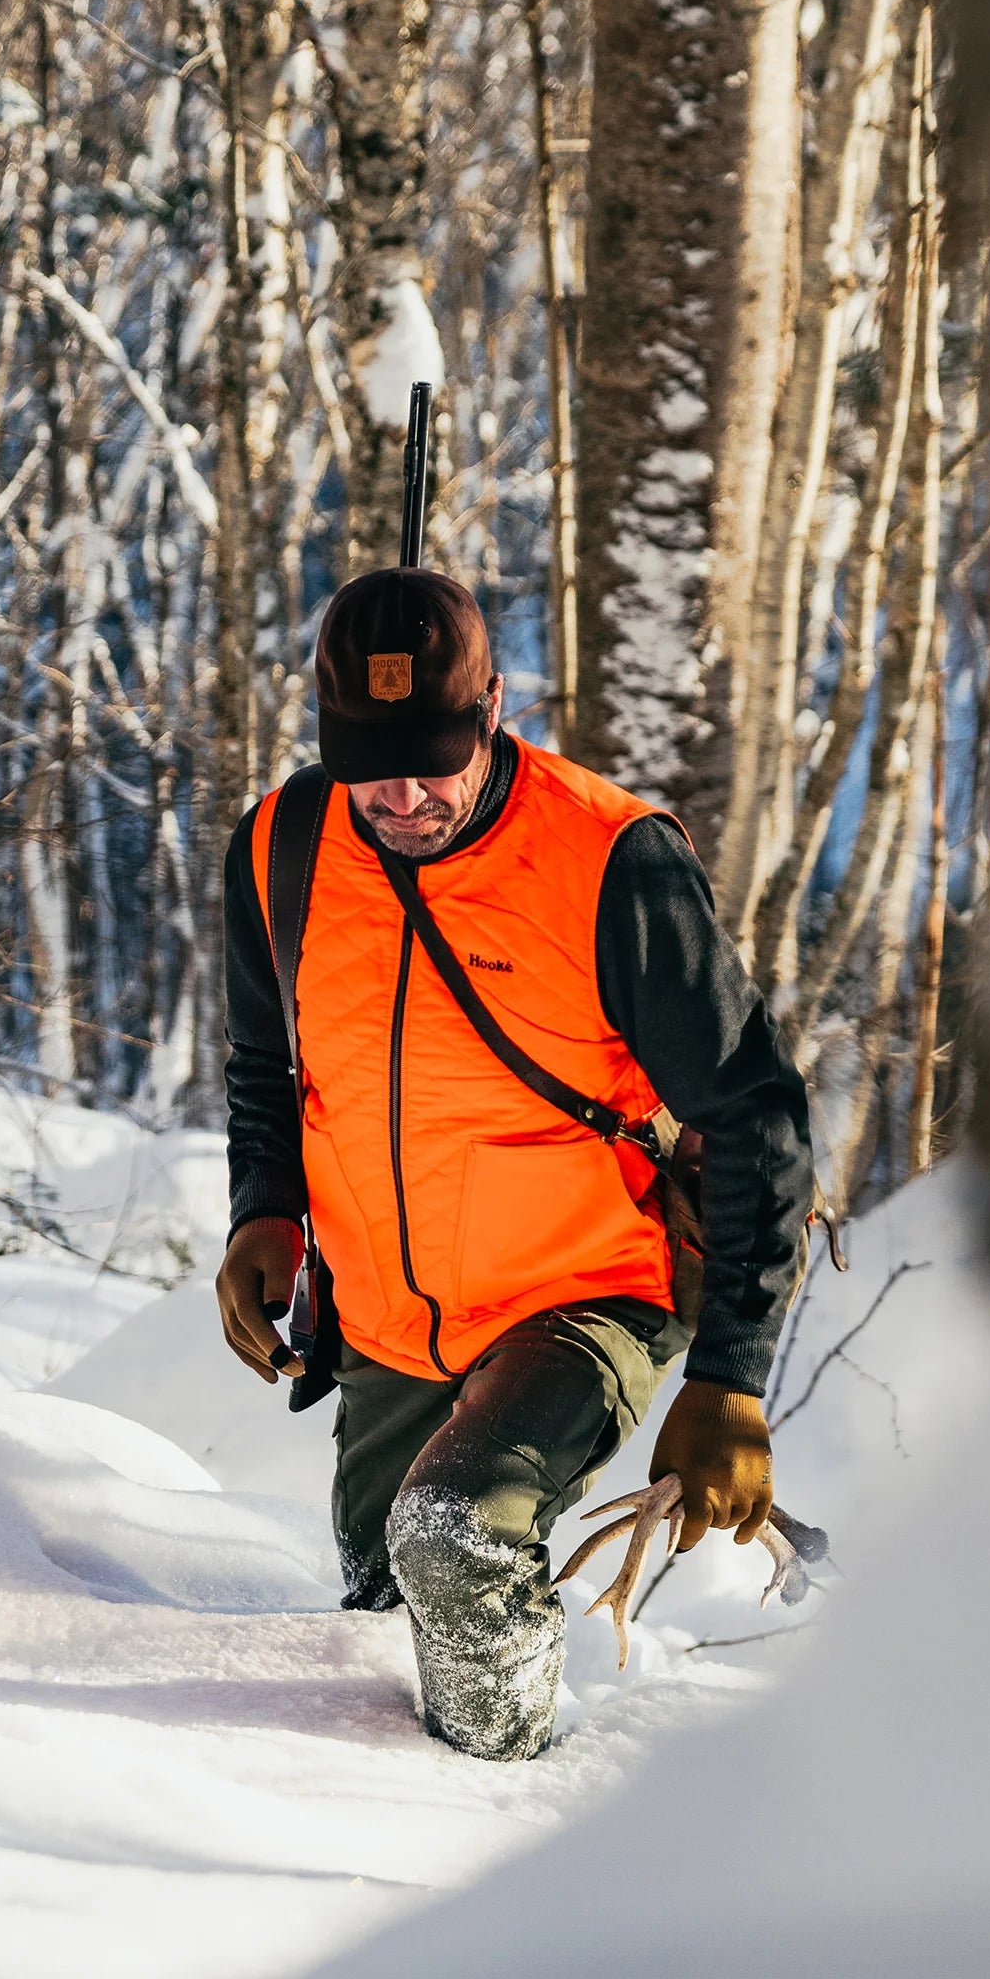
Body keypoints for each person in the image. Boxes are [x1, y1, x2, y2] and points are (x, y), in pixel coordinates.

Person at [217, 566, 813, 1760]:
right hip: (386, 1318)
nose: (400, 794)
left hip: (580, 1289)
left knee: (452, 1535)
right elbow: (263, 1062)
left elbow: (757, 1116)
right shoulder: (284, 843)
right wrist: (263, 1210)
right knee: (383, 1614)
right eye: (366, 760)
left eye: (433, 755)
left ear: (493, 709)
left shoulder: (610, 861)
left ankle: (502, 1814)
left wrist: (730, 1377)